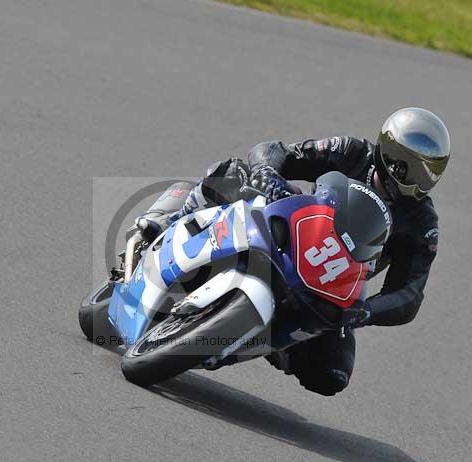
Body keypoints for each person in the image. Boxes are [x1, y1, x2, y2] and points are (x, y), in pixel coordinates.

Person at [136, 108, 450, 396]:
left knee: (331, 374)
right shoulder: (353, 152)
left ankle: (272, 343)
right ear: (391, 154)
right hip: (295, 234)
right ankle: (170, 221)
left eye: (432, 173)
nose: (423, 182)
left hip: (332, 283)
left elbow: (409, 294)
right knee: (233, 172)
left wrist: (367, 311)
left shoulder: (422, 223)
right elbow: (274, 150)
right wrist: (268, 172)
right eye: (416, 169)